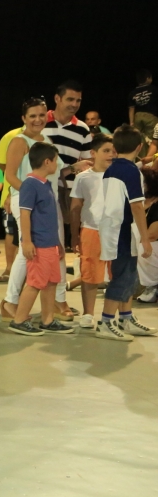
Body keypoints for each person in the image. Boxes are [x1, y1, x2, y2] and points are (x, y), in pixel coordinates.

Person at [0, 99, 70, 322]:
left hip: (47, 203)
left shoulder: (46, 141)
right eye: (32, 116)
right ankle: (10, 302)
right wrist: (30, 195)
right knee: (26, 250)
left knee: (52, 251)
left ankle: (54, 302)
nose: (37, 119)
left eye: (41, 115)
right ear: (24, 118)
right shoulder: (20, 141)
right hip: (28, 204)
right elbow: (10, 175)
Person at [97, 125, 157, 341]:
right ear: (140, 147)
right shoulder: (131, 171)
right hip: (122, 231)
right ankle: (105, 322)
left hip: (114, 229)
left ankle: (125, 318)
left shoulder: (112, 168)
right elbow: (136, 207)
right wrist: (145, 239)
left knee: (129, 274)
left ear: (114, 147)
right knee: (123, 276)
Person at [7, 142, 72, 335]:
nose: (57, 165)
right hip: (39, 244)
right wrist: (26, 241)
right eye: (55, 161)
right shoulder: (30, 185)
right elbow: (25, 214)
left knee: (51, 282)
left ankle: (48, 319)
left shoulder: (46, 184)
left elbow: (49, 218)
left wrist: (58, 242)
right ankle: (19, 320)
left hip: (50, 243)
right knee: (35, 282)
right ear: (47, 162)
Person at [70, 135, 115, 329]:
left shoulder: (121, 174)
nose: (111, 154)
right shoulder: (83, 178)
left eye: (114, 151)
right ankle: (88, 314)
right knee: (89, 273)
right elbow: (75, 208)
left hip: (116, 231)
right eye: (106, 151)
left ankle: (116, 314)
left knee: (118, 274)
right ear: (93, 153)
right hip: (91, 230)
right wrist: (74, 235)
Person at [43, 81, 93, 249]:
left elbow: (88, 163)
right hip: (43, 188)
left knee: (68, 239)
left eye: (78, 100)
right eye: (70, 99)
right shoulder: (39, 122)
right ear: (57, 98)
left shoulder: (83, 128)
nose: (74, 104)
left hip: (69, 192)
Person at [136, 168, 158, 303]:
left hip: (154, 244)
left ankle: (153, 285)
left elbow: (153, 235)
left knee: (143, 248)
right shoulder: (138, 202)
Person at [129, 69, 157, 142]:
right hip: (150, 116)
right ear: (148, 78)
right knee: (153, 138)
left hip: (137, 117)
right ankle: (152, 153)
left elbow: (131, 109)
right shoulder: (153, 89)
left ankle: (141, 153)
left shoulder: (132, 92)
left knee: (138, 139)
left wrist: (132, 123)